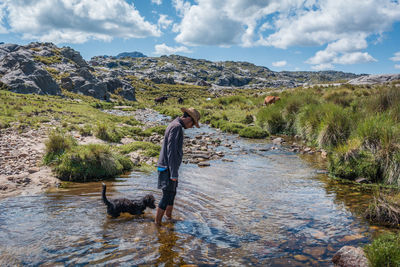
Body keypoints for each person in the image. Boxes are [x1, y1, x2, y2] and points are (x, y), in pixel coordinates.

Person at [155, 107, 201, 226]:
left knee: (172, 193)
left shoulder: (175, 125)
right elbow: (171, 151)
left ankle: (168, 218)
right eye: (193, 124)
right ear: (189, 119)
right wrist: (174, 173)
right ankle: (157, 225)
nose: (191, 127)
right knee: (166, 197)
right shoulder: (176, 127)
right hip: (167, 168)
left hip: (168, 167)